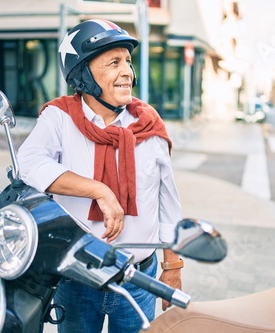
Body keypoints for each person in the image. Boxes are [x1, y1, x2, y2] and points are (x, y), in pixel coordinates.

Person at [17, 19, 184, 333]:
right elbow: (28, 163)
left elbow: (168, 205)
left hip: (140, 279)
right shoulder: (59, 117)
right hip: (78, 278)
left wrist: (172, 266)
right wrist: (98, 190)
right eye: (114, 63)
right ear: (83, 73)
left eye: (129, 62)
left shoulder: (150, 126)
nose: (128, 73)